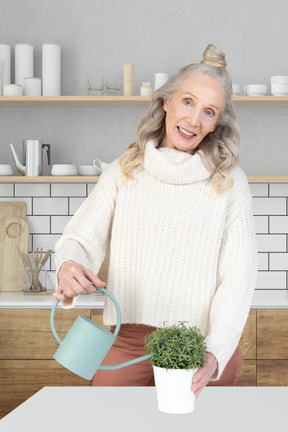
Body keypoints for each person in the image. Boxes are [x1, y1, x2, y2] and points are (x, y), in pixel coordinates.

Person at [53, 44, 258, 397]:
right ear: (166, 101)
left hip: (199, 346)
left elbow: (238, 278)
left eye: (209, 112)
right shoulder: (124, 170)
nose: (194, 120)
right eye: (188, 102)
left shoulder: (230, 183)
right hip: (126, 341)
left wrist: (214, 351)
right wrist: (69, 265)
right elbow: (82, 237)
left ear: (216, 123)